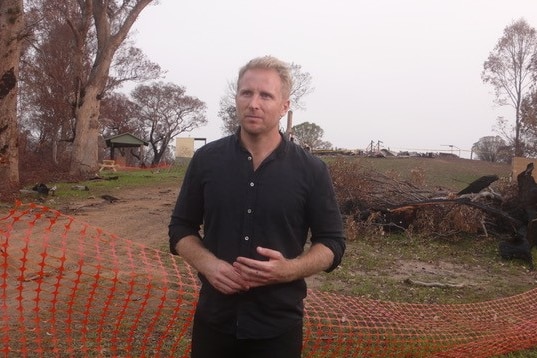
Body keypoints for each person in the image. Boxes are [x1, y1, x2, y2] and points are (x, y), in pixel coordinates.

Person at [168, 55, 346, 358]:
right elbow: (180, 228)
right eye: (246, 93)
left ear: (285, 106)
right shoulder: (206, 161)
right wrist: (208, 265)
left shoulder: (311, 170)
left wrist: (289, 270)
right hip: (214, 322)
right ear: (236, 98)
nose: (254, 103)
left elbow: (332, 243)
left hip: (277, 328)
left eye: (266, 95)